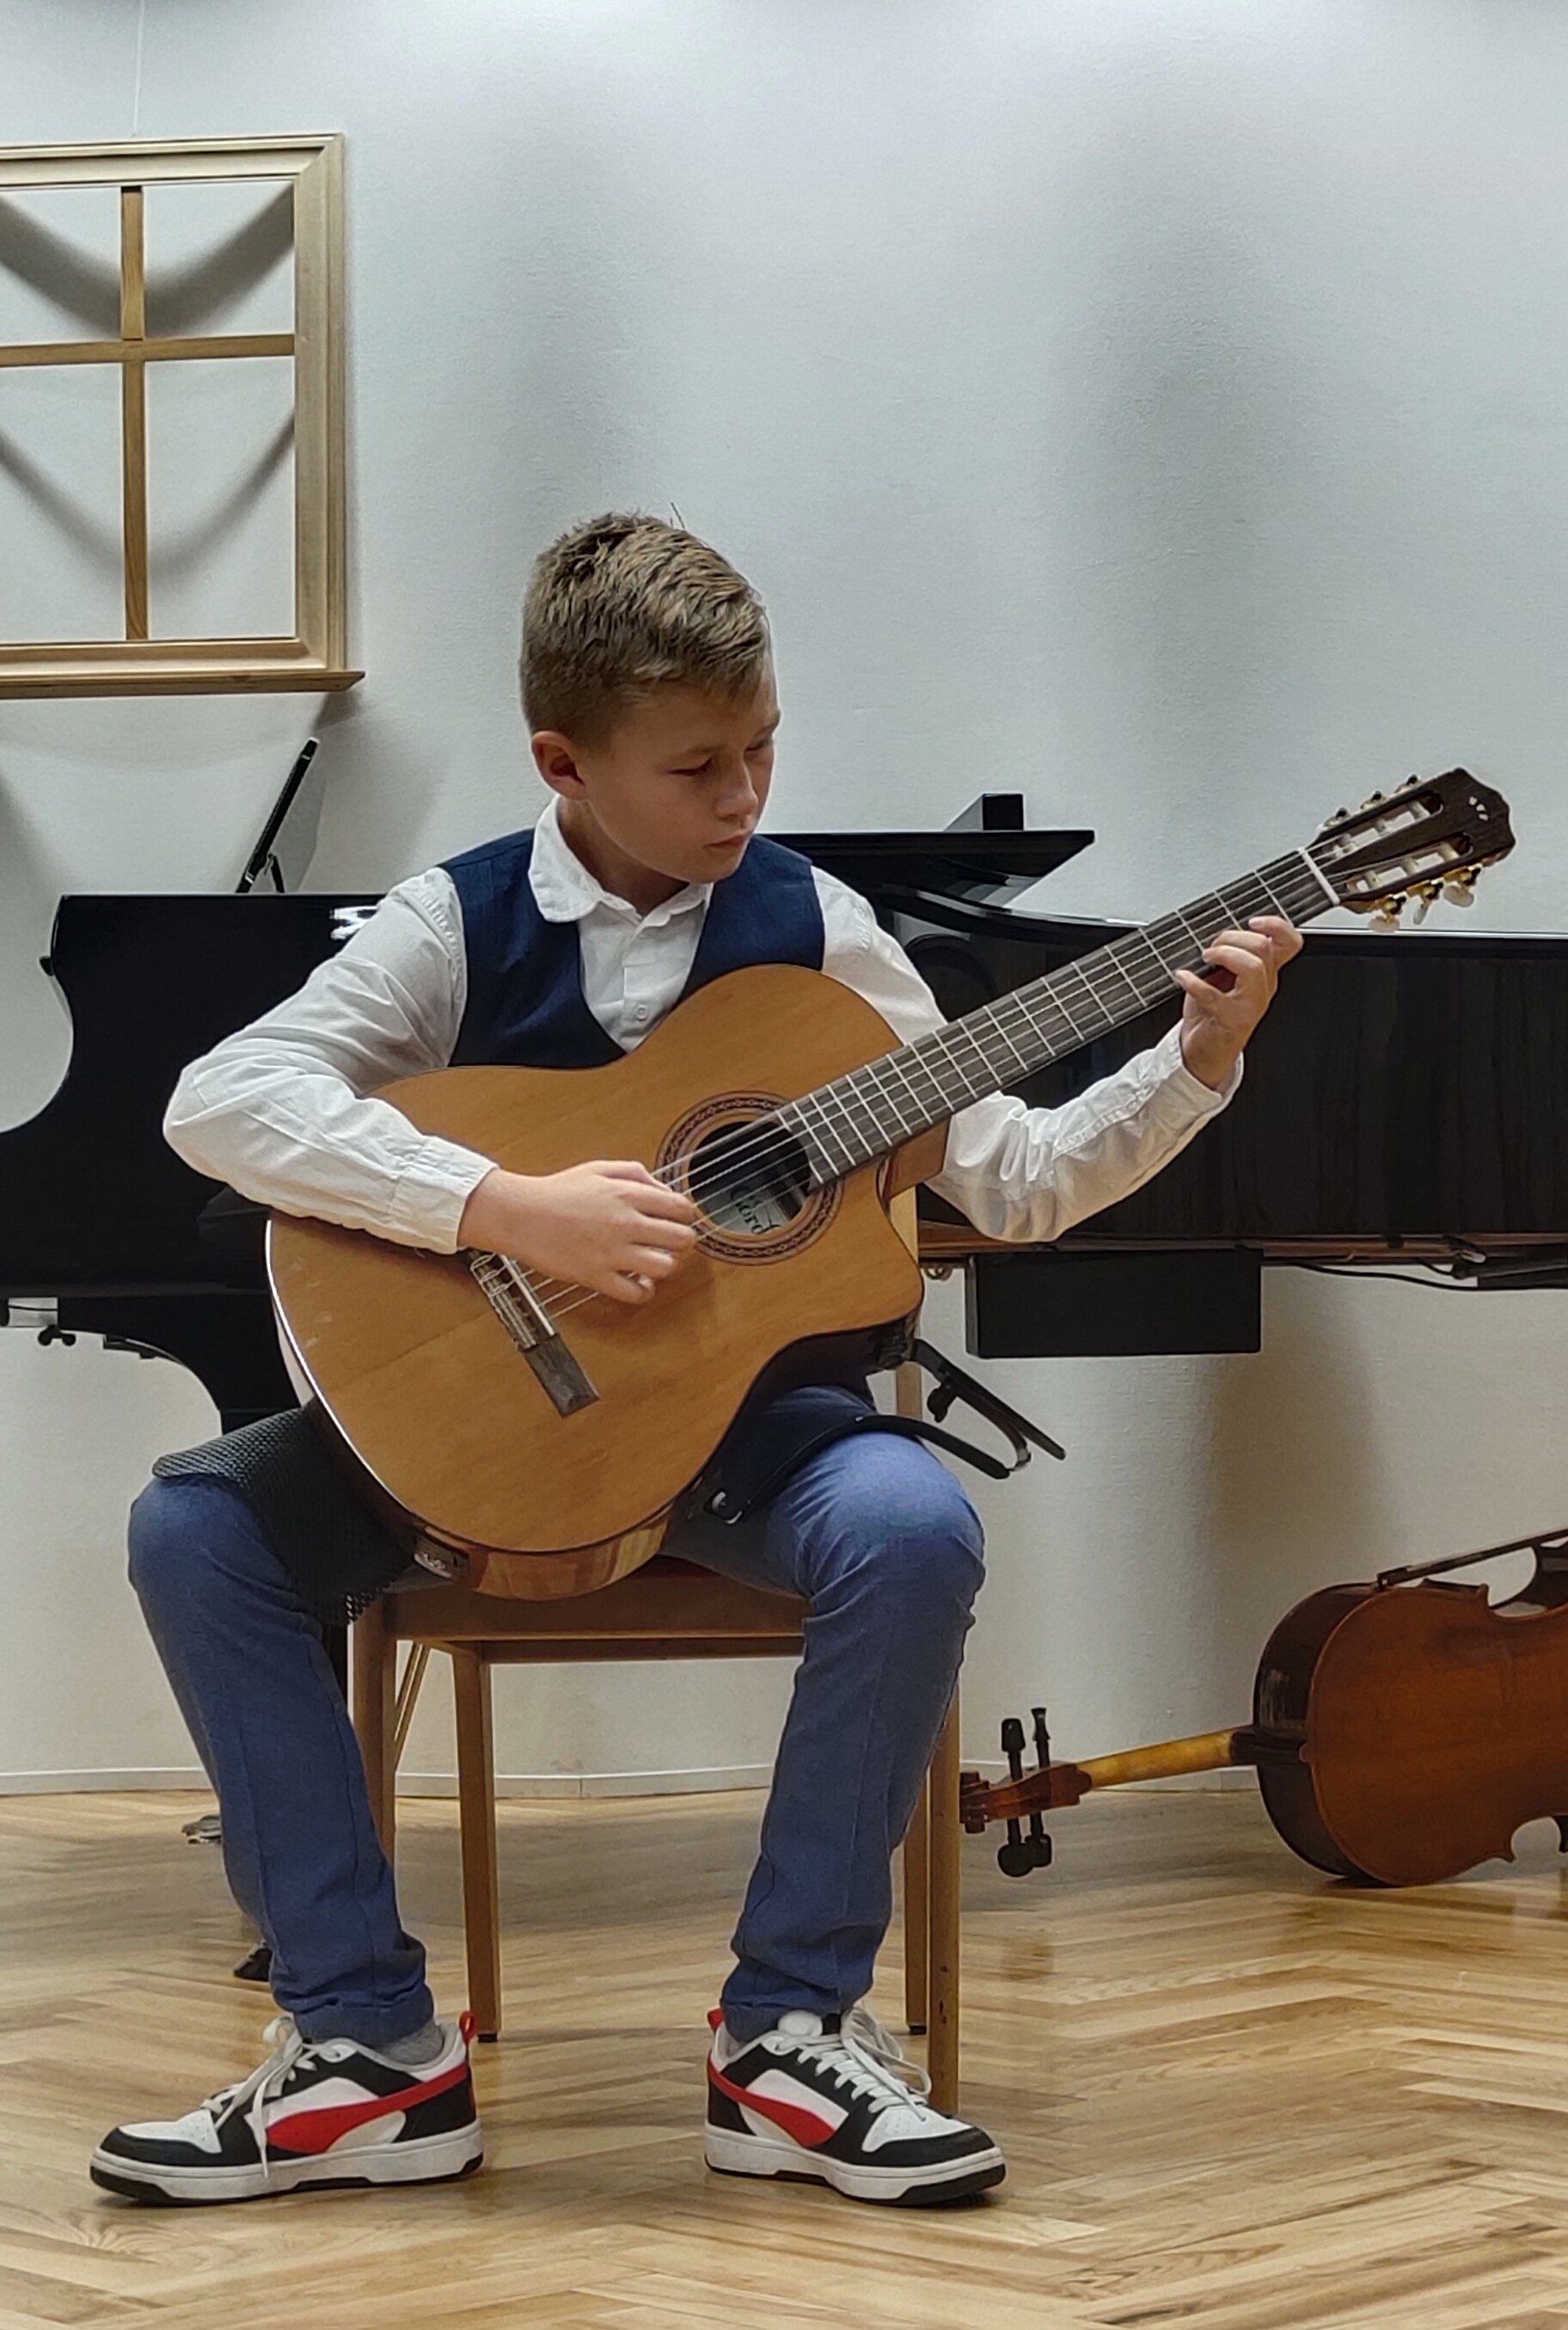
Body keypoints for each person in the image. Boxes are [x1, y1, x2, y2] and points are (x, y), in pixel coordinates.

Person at [93, 513, 1300, 2210]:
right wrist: (504, 1204)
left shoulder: (818, 929)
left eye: (763, 749)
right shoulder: (456, 921)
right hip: (487, 1429)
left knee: (914, 1525)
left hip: (754, 1431)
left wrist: (1195, 1059)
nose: (744, 797)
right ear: (563, 762)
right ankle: (365, 2049)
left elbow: (1015, 1177)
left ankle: (787, 2033)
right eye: (697, 767)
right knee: (194, 1526)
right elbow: (218, 1100)